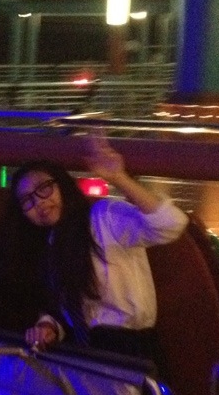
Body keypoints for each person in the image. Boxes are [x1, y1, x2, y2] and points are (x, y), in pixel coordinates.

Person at [14, 132, 188, 366]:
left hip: (128, 349)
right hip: (82, 350)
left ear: (62, 185)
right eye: (27, 200)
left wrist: (119, 178)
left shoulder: (103, 217)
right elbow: (70, 312)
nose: (39, 202)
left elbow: (172, 224)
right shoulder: (49, 244)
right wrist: (49, 326)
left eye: (44, 188)